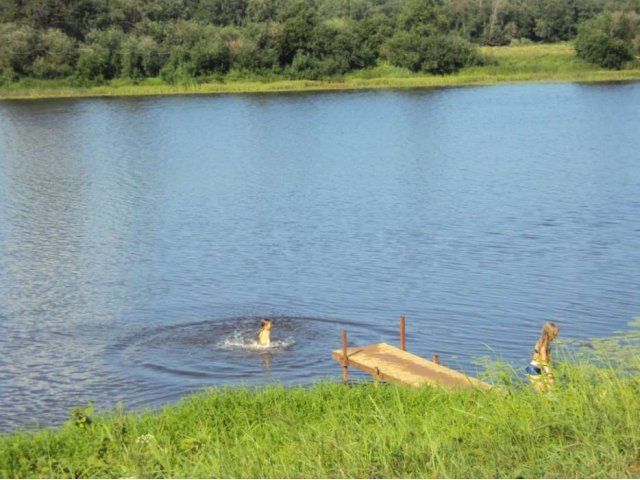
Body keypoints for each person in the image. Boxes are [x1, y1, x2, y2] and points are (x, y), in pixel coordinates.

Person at [526, 322, 559, 392]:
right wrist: (550, 374)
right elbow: (544, 361)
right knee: (545, 392)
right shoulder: (543, 345)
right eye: (555, 334)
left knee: (548, 391)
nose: (556, 335)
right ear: (549, 333)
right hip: (534, 370)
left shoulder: (545, 343)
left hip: (538, 369)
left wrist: (556, 364)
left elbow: (546, 359)